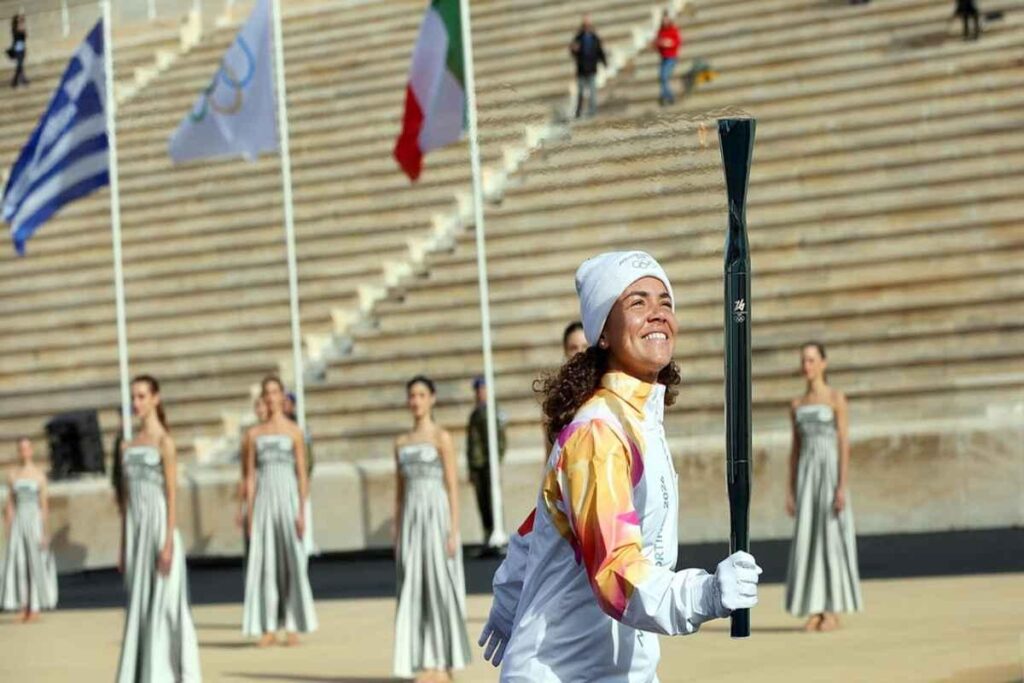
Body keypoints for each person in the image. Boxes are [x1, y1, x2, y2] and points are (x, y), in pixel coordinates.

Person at [479, 251, 761, 680]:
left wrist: (511, 592)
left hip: (623, 667)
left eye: (665, 302)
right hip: (566, 671)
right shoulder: (599, 433)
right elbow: (616, 572)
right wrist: (705, 593)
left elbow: (542, 523)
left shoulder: (638, 420)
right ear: (603, 333)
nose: (657, 314)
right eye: (637, 303)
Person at [115, 375, 201, 682]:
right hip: (136, 532)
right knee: (139, 604)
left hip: (159, 530)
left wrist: (167, 543)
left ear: (156, 399)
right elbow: (126, 500)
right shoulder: (127, 445)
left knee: (166, 605)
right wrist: (123, 543)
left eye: (141, 397)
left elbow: (172, 495)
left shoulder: (166, 443)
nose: (136, 403)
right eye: (133, 397)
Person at [393, 375, 471, 682]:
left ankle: (443, 662)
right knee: (414, 587)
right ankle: (423, 660)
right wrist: (398, 530)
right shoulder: (400, 443)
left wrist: (453, 529)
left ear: (432, 399)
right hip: (412, 521)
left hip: (437, 516)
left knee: (440, 585)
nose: (416, 401)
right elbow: (399, 492)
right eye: (412, 395)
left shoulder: (442, 437)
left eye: (421, 395)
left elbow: (452, 486)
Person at [784, 342, 863, 631]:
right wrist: (791, 490)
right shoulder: (797, 405)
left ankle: (833, 608)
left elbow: (844, 443)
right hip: (807, 475)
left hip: (829, 473)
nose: (808, 366)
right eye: (804, 360)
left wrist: (842, 485)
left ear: (824, 363)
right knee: (808, 537)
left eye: (812, 360)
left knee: (831, 537)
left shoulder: (836, 399)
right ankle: (814, 607)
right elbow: (794, 450)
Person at [243, 376, 317, 647]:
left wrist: (301, 510)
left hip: (287, 498)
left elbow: (302, 474)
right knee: (266, 564)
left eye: (275, 392)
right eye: (267, 393)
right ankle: (268, 625)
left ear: (282, 396)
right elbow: (249, 477)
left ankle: (293, 623)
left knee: (291, 562)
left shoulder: (295, 432)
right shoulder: (253, 435)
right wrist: (250, 513)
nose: (271, 397)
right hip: (264, 500)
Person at [0, 437, 57, 621]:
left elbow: (44, 505)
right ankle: (23, 605)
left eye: (27, 448)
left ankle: (35, 606)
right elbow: (10, 503)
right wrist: (8, 526)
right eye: (21, 448)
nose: (24, 452)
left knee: (35, 563)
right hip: (19, 522)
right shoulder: (13, 475)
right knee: (20, 563)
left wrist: (44, 531)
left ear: (32, 450)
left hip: (34, 521)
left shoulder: (39, 475)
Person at [465, 375, 507, 556]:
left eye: (483, 389)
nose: (480, 393)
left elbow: (500, 440)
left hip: (489, 464)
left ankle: (497, 534)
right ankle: (487, 534)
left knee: (492, 501)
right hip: (478, 464)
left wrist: (495, 460)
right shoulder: (476, 412)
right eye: (478, 390)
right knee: (483, 502)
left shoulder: (493, 412)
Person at [238, 396, 270, 556]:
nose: (261, 409)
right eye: (258, 406)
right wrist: (241, 507)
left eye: (263, 405)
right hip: (257, 491)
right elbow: (245, 473)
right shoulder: (250, 436)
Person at [569, 15, 606, 119]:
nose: (587, 27)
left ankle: (592, 112)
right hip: (581, 69)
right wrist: (574, 50)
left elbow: (600, 52)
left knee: (592, 92)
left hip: (591, 69)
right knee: (580, 92)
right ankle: (579, 112)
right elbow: (572, 50)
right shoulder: (578, 38)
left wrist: (604, 63)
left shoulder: (595, 38)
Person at [653, 12, 682, 105]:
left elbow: (677, 42)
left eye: (666, 20)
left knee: (664, 76)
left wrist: (669, 43)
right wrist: (659, 44)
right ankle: (667, 96)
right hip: (664, 57)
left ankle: (666, 96)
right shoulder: (660, 31)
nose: (665, 22)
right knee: (662, 77)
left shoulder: (673, 30)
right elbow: (656, 44)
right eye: (663, 20)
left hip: (671, 57)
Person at [7, 13, 27, 88]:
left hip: (21, 48)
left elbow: (24, 37)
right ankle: (16, 81)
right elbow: (18, 37)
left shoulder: (21, 28)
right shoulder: (15, 29)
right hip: (18, 49)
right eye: (18, 19)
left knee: (20, 66)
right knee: (19, 66)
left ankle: (20, 81)